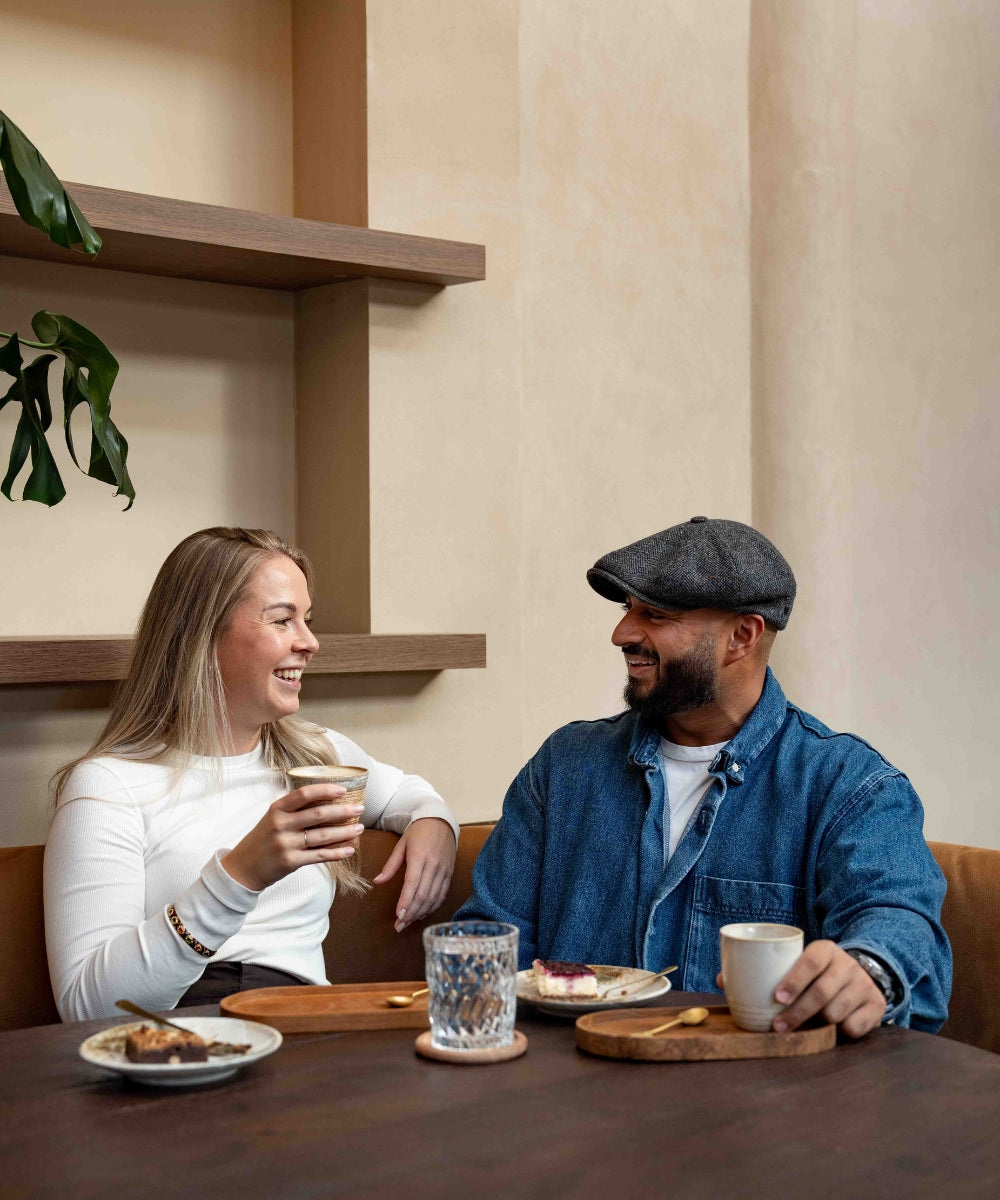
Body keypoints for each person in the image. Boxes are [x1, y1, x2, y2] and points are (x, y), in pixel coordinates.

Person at [458, 516, 951, 1037]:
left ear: (742, 636)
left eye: (656, 615)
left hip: (752, 1103)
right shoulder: (565, 766)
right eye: (629, 611)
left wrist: (870, 970)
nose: (621, 633)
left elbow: (899, 920)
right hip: (566, 1095)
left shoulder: (847, 786)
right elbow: (488, 940)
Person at [45, 527, 458, 1021]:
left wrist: (435, 823)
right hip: (180, 1039)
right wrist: (240, 876)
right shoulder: (108, 786)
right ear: (202, 633)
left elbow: (407, 795)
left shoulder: (315, 756)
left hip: (310, 1029)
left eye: (306, 620)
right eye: (283, 620)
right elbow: (88, 1010)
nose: (310, 642)